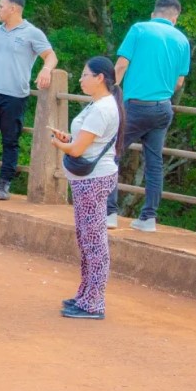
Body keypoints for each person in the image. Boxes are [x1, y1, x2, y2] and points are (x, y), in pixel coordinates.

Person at [107, 0, 190, 232]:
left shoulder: (140, 29)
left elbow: (121, 65)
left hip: (135, 106)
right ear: (175, 18)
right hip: (163, 108)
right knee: (154, 163)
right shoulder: (182, 40)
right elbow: (179, 82)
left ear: (154, 14)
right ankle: (148, 218)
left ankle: (109, 213)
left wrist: (109, 93)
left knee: (109, 154)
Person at [50, 56, 124, 319]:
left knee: (94, 241)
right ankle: (86, 295)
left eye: (85, 75)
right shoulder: (98, 104)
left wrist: (59, 144)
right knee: (86, 238)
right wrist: (68, 139)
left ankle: (94, 302)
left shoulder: (103, 108)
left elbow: (78, 150)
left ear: (100, 78)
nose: (81, 80)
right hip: (87, 180)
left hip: (93, 180)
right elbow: (85, 141)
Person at [0, 0, 58, 200]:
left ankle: (4, 183)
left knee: (10, 140)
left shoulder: (32, 33)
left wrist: (46, 70)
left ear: (13, 9)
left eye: (1, 6)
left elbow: (51, 56)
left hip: (15, 96)